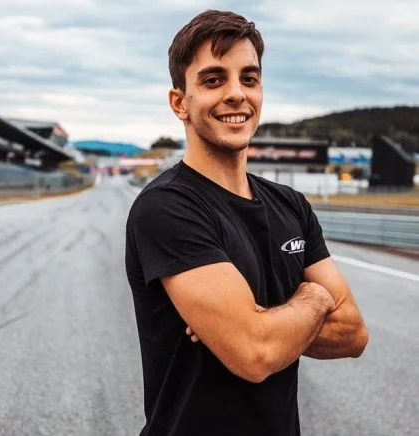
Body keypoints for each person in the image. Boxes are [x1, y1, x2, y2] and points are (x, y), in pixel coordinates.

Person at [124, 9, 369, 436]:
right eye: (213, 80)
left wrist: (258, 321)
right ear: (180, 102)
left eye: (249, 78)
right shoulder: (167, 207)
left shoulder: (291, 205)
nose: (236, 94)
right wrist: (313, 299)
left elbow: (354, 333)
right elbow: (255, 352)